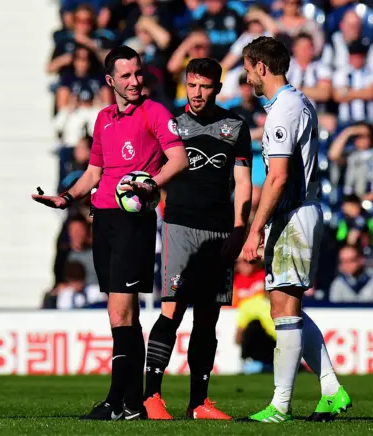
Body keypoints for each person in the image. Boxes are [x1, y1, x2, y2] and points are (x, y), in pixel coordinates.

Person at [32, 46, 188, 420]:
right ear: (110, 81)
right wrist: (66, 197)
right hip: (102, 218)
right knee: (122, 315)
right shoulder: (103, 118)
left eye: (138, 74)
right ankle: (131, 403)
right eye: (126, 76)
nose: (135, 81)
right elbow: (93, 173)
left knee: (121, 313)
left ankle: (117, 401)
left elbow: (179, 158)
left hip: (133, 220)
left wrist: (152, 184)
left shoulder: (155, 112)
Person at [240, 36, 351, 423]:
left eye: (248, 67)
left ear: (261, 67)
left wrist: (255, 230)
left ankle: (280, 405)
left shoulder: (282, 111)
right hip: (301, 212)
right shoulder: (298, 101)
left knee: (284, 307)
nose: (246, 75)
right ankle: (331, 389)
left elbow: (277, 176)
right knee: (286, 306)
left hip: (293, 215)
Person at [141, 58, 252, 420]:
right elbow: (156, 169)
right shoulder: (172, 123)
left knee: (208, 319)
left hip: (220, 230)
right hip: (181, 227)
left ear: (218, 88)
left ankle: (198, 403)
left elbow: (243, 184)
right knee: (172, 309)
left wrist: (239, 229)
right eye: (192, 85)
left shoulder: (235, 126)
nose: (197, 92)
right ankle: (151, 396)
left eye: (205, 86)